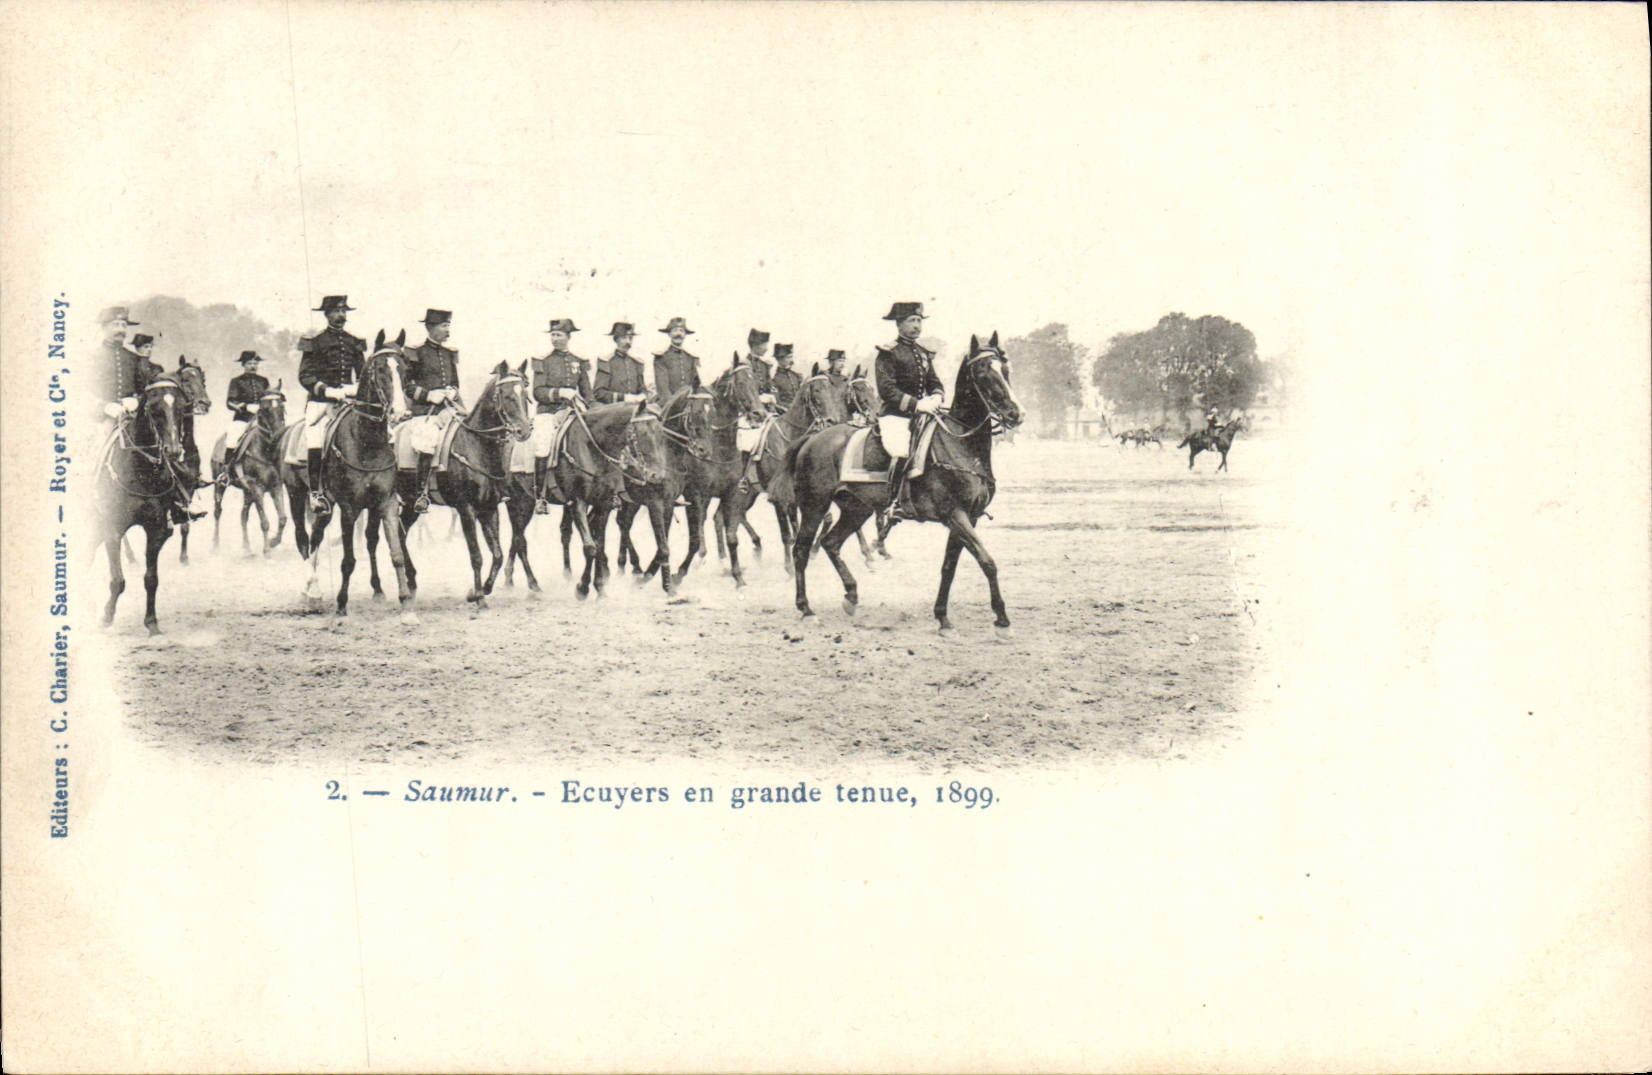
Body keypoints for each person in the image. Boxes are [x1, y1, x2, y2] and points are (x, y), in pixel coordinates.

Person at [296, 295, 366, 514]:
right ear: (327, 315)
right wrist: (325, 390)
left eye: (343, 311)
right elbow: (304, 376)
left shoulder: (354, 342)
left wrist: (355, 388)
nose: (341, 315)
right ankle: (316, 493)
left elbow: (363, 374)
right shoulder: (315, 341)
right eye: (336, 312)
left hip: (349, 401)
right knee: (315, 439)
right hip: (321, 403)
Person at [874, 301, 943, 520]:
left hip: (923, 414)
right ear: (899, 324)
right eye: (912, 321)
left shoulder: (923, 353)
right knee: (901, 452)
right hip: (896, 416)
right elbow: (887, 390)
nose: (917, 326)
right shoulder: (888, 353)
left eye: (919, 321)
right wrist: (916, 404)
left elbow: (935, 382)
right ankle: (893, 503)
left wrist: (937, 396)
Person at [399, 309, 462, 513]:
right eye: (443, 326)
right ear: (430, 328)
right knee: (427, 440)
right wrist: (428, 395)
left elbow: (455, 382)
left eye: (448, 325)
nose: (447, 330)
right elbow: (407, 386)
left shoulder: (449, 353)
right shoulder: (415, 352)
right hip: (426, 412)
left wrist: (452, 391)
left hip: (449, 409)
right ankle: (421, 494)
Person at [527, 317, 591, 513]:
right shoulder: (543, 361)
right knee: (543, 445)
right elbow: (537, 392)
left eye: (559, 335)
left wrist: (586, 405)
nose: (555, 339)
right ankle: (540, 497)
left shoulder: (579, 362)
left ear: (568, 337)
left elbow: (588, 393)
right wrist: (559, 393)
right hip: (549, 412)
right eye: (553, 335)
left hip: (573, 412)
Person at [218, 351, 269, 485]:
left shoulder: (264, 381)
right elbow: (230, 402)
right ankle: (226, 472)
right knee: (232, 438)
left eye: (255, 363)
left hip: (261, 419)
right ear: (244, 365)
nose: (253, 366)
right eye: (250, 363)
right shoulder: (236, 381)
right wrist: (245, 407)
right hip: (243, 419)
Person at [593, 322, 648, 404]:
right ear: (616, 339)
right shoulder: (606, 362)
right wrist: (623, 398)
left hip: (635, 407)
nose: (628, 342)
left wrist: (643, 396)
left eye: (630, 338)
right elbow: (599, 393)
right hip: (614, 408)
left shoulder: (636, 363)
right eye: (624, 338)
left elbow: (642, 388)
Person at [653, 317, 701, 400]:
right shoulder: (661, 357)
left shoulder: (690, 358)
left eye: (681, 331)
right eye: (675, 330)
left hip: (689, 401)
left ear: (685, 335)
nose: (678, 334)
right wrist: (672, 404)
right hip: (669, 403)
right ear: (669, 334)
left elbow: (696, 383)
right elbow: (662, 388)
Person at [746, 328, 777, 411]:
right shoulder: (744, 365)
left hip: (766, 408)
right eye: (764, 345)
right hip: (751, 408)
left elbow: (769, 386)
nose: (766, 349)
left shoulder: (765, 365)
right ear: (755, 345)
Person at [770, 342, 802, 411]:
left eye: (791, 357)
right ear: (779, 359)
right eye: (788, 357)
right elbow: (776, 402)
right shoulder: (774, 379)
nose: (791, 360)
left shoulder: (796, 376)